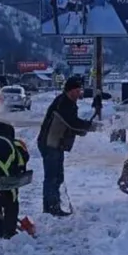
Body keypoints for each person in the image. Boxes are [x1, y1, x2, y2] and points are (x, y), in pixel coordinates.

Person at [36, 75, 95, 216]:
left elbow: (71, 126)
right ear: (69, 90)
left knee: (58, 176)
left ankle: (51, 206)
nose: (78, 94)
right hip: (50, 144)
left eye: (80, 91)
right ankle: (51, 208)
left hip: (57, 144)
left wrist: (83, 129)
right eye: (76, 91)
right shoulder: (63, 103)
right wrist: (91, 126)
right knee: (52, 177)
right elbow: (72, 122)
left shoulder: (69, 103)